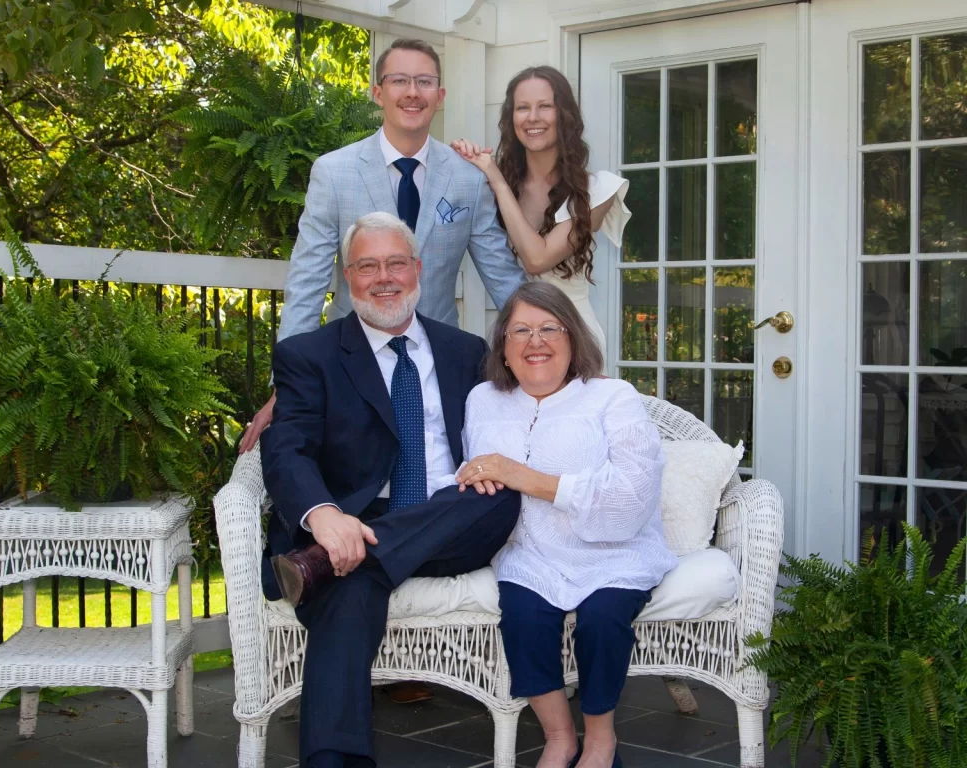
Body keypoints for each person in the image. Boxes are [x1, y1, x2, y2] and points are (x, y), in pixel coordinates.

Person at [260, 212, 521, 768]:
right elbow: (286, 450)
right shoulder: (309, 356)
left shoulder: (465, 351)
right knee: (349, 593)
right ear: (347, 276)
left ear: (418, 270)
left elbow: (516, 419)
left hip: (452, 520)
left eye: (396, 263)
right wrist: (324, 516)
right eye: (367, 266)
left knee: (501, 495)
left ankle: (323, 564)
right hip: (349, 522)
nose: (384, 277)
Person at [239, 37, 524, 453]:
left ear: (439, 95)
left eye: (425, 82)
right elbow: (308, 280)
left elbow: (502, 277)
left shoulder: (467, 179)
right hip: (350, 362)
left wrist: (548, 343)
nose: (412, 92)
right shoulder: (333, 173)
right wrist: (287, 383)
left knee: (437, 472)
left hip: (435, 364)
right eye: (399, 81)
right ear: (378, 92)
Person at [453, 281, 676, 768]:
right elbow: (477, 473)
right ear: (504, 350)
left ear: (573, 339)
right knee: (525, 620)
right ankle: (559, 738)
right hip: (529, 551)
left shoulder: (612, 397)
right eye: (521, 331)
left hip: (613, 550)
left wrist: (524, 477)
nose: (536, 341)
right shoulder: (483, 400)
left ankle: (600, 740)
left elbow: (633, 497)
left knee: (601, 620)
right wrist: (478, 478)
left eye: (550, 328)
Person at [450, 65, 632, 351]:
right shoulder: (499, 186)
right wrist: (461, 158)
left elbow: (537, 259)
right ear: (511, 119)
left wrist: (495, 180)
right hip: (517, 334)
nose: (533, 117)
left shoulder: (597, 191)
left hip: (574, 336)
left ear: (564, 115)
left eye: (545, 106)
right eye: (522, 108)